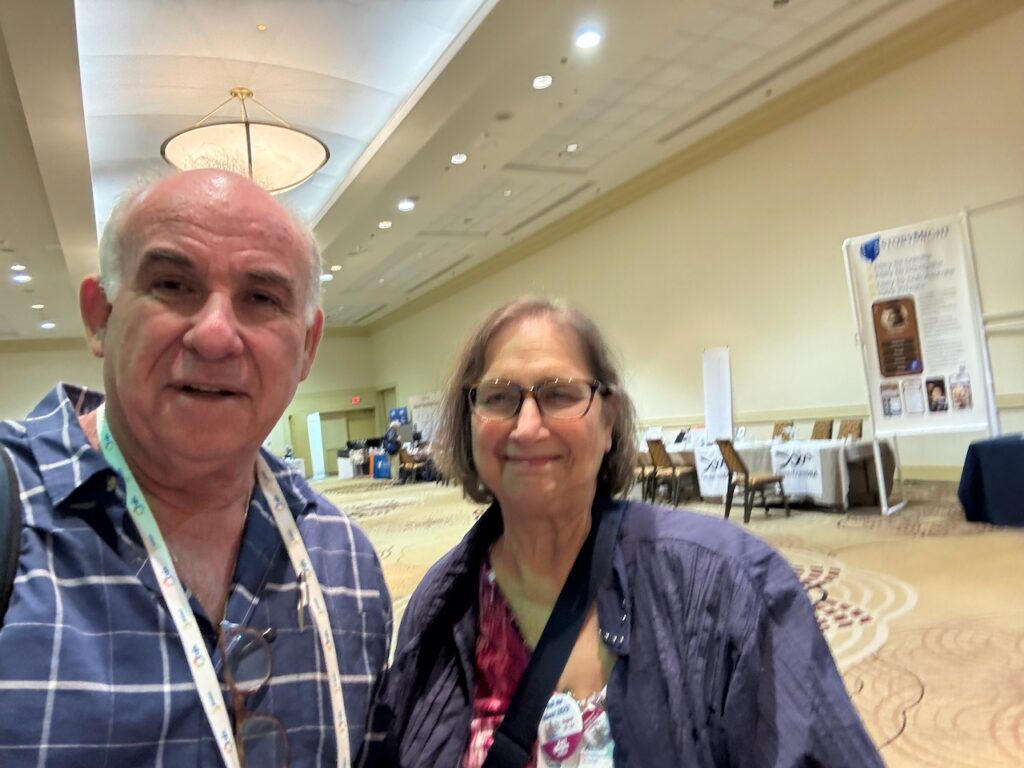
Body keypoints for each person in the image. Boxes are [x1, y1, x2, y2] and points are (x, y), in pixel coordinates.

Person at [373, 296, 882, 767]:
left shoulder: (729, 584)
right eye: (499, 397)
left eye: (559, 394)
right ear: (469, 421)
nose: (526, 427)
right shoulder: (440, 605)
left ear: (608, 420)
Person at [0, 170, 391, 767]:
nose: (214, 336)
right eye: (173, 284)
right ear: (100, 315)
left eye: (261, 298)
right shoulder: (14, 514)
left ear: (308, 346)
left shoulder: (346, 565)